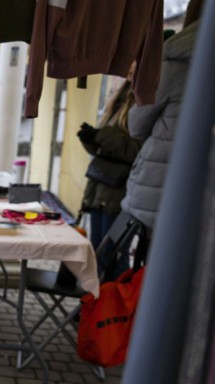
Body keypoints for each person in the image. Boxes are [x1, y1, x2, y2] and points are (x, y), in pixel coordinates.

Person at [120, 0, 202, 232]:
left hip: (156, 187)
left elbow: (136, 126)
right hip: (202, 193)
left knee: (152, 264)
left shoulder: (173, 67)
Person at [79, 66, 141, 249]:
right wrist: (91, 139)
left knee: (111, 253)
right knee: (99, 250)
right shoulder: (121, 98)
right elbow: (107, 149)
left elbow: (136, 150)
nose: (129, 66)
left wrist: (101, 136)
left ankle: (111, 279)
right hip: (103, 186)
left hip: (120, 188)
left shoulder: (143, 99)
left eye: (135, 61)